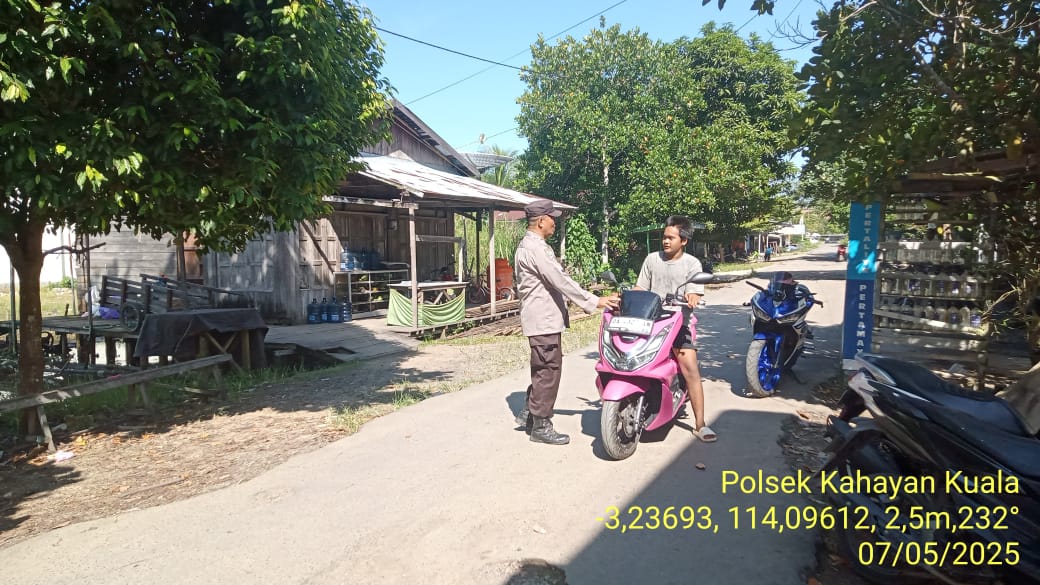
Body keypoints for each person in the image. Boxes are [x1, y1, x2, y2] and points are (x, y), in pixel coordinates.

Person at [513, 199, 620, 445]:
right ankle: (541, 425)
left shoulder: (531, 246)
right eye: (552, 218)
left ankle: (530, 413)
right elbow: (560, 280)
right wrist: (595, 301)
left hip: (542, 320)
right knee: (548, 372)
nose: (554, 222)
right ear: (541, 221)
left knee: (543, 368)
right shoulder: (536, 249)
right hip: (543, 321)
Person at [633, 215, 716, 443]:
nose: (666, 241)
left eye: (671, 238)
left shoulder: (692, 264)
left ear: (684, 241)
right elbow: (640, 288)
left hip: (678, 324)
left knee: (690, 369)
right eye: (664, 237)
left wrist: (692, 296)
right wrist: (627, 298)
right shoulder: (652, 259)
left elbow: (694, 291)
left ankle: (700, 424)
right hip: (650, 323)